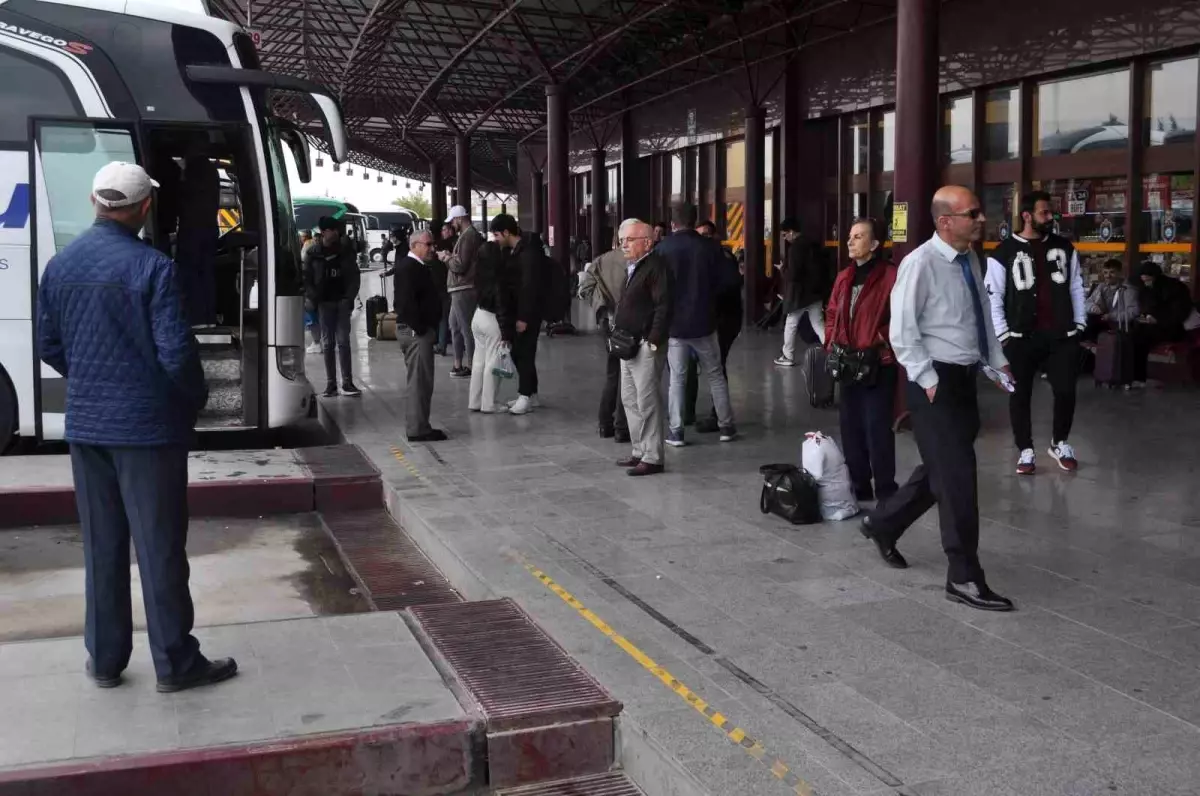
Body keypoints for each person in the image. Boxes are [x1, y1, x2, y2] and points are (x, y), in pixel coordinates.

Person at [38, 161, 237, 692]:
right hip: (148, 431)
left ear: (95, 203)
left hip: (86, 427)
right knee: (159, 547)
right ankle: (175, 662)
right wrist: (192, 400)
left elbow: (49, 345)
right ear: (144, 207)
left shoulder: (60, 265)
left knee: (102, 545)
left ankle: (105, 660)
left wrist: (91, 381)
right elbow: (176, 353)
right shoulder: (153, 268)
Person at [861, 185, 1015, 612]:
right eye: (973, 213)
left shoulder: (969, 259)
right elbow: (902, 330)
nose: (981, 219)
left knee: (941, 470)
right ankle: (963, 576)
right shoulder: (920, 264)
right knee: (958, 479)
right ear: (945, 221)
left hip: (965, 376)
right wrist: (927, 378)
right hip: (934, 382)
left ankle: (883, 523)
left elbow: (980, 314)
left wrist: (997, 359)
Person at [984, 190, 1087, 475]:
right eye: (1044, 212)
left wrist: (1079, 324)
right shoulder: (1003, 251)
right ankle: (1025, 450)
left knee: (1066, 391)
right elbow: (993, 296)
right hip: (1020, 337)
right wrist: (1003, 334)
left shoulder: (1065, 247)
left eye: (1051, 212)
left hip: (1061, 335)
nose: (1050, 217)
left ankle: (1060, 442)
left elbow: (1076, 285)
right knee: (1020, 395)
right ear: (1027, 215)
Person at [824, 218, 898, 502]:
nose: (851, 241)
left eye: (859, 236)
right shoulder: (844, 276)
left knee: (877, 428)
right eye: (850, 236)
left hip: (878, 362)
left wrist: (879, 338)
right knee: (851, 428)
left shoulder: (890, 276)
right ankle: (859, 484)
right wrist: (831, 342)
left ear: (875, 244)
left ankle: (886, 488)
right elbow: (832, 312)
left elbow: (904, 317)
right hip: (847, 362)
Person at [657, 203, 738, 445]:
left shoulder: (663, 248)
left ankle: (677, 431)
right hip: (705, 322)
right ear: (694, 222)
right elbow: (730, 282)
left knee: (677, 379)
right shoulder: (711, 248)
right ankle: (726, 427)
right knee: (715, 375)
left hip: (676, 326)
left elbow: (657, 288)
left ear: (673, 223)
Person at [613, 221, 674, 476]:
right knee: (629, 399)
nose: (623, 245)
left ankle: (653, 456)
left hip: (644, 345)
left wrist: (653, 340)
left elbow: (664, 306)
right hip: (627, 344)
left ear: (647, 242)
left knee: (647, 401)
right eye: (622, 240)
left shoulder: (657, 267)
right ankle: (639, 450)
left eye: (629, 240)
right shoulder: (635, 267)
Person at [579, 221, 636, 442]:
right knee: (628, 375)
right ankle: (623, 426)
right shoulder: (637, 260)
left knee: (613, 373)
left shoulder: (601, 260)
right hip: (631, 324)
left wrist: (602, 307)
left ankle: (605, 423)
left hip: (609, 323)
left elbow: (584, 288)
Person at [685, 219, 743, 433]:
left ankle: (718, 415)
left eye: (705, 235)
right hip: (711, 318)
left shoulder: (721, 256)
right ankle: (696, 412)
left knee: (717, 366)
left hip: (724, 319)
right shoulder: (708, 256)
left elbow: (730, 285)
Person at [394, 230, 448, 442]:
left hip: (419, 330)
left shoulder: (417, 267)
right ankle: (418, 428)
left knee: (422, 381)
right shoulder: (409, 267)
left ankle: (421, 424)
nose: (432, 248)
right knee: (419, 382)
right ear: (414, 245)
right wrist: (421, 329)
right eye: (428, 244)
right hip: (416, 332)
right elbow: (405, 303)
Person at [489, 214, 545, 415]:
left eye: (496, 235)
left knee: (524, 354)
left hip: (527, 313)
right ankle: (532, 394)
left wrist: (523, 317)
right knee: (521, 352)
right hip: (518, 310)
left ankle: (525, 395)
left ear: (506, 232)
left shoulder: (528, 253)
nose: (495, 239)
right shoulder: (514, 251)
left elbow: (530, 287)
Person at [304, 216, 362, 397]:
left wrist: (349, 297)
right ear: (324, 232)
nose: (336, 233)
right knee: (328, 344)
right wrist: (314, 297)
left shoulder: (346, 251)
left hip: (342, 302)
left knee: (343, 342)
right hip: (324, 303)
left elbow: (354, 276)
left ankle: (347, 382)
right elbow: (306, 277)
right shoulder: (313, 252)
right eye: (333, 230)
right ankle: (331, 384)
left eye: (337, 230)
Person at [774, 217, 830, 366]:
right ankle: (832, 351)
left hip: (799, 294)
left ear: (791, 232)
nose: (785, 238)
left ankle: (788, 355)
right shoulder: (813, 244)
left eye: (785, 235)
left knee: (791, 322)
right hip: (815, 292)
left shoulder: (795, 248)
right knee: (818, 324)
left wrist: (782, 270)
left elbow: (793, 274)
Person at [469, 241, 515, 413]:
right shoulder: (499, 278)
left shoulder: (479, 274)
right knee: (493, 362)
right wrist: (506, 333)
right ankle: (489, 403)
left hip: (478, 316)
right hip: (492, 320)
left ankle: (475, 401)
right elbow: (502, 306)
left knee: (479, 361)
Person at [1132, 260, 1192, 388]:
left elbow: (1179, 313)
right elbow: (1145, 307)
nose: (1146, 283)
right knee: (1132, 335)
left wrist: (1158, 320)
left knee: (1140, 340)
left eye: (1148, 280)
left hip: (1172, 328)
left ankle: (1138, 378)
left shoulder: (1175, 288)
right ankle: (1131, 376)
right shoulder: (1146, 289)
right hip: (1151, 326)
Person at [439, 206, 481, 379]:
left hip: (463, 287)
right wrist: (451, 257)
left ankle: (471, 365)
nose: (452, 224)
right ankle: (458, 364)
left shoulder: (468, 236)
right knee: (455, 326)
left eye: (453, 221)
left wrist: (446, 258)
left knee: (465, 328)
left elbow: (461, 265)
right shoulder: (468, 236)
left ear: (459, 219)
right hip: (460, 287)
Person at [1084, 258, 1139, 340]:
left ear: (1120, 273)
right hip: (1102, 323)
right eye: (1105, 273)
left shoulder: (1128, 289)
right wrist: (1093, 308)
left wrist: (1111, 316)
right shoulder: (1102, 287)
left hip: (1119, 327)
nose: (1108, 276)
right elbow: (1086, 304)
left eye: (1112, 272)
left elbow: (1133, 312)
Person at [430, 221, 455, 355]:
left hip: (440, 285)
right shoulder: (450, 244)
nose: (446, 232)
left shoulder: (435, 246)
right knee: (447, 317)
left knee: (442, 317)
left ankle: (441, 344)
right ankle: (444, 343)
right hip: (447, 285)